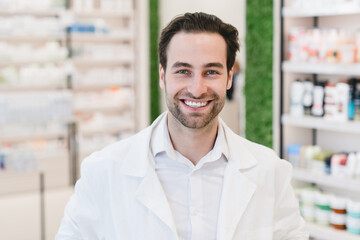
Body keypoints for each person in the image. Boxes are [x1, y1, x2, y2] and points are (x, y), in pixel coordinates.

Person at [56, 12, 309, 240]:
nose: (197, 89)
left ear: (229, 78)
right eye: (183, 71)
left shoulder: (269, 171)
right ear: (162, 76)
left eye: (211, 72)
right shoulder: (103, 171)